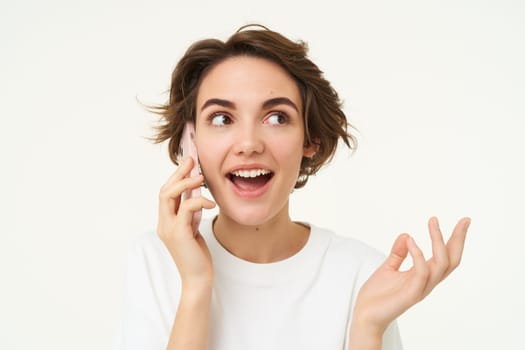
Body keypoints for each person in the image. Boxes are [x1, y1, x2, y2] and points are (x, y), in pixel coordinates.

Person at [114, 24, 471, 350]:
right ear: (190, 143)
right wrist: (195, 288)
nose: (248, 143)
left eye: (276, 117)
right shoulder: (156, 262)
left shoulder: (365, 275)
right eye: (222, 118)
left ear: (309, 138)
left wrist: (366, 329)